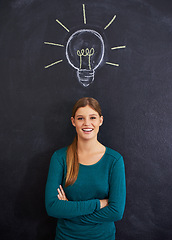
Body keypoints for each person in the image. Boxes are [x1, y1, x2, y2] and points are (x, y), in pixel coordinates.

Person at [45, 97, 126, 240]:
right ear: (73, 122)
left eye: (92, 117)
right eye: (81, 118)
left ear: (100, 121)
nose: (87, 123)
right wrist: (99, 203)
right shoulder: (60, 158)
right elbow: (52, 207)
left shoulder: (114, 160)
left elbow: (116, 212)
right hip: (66, 237)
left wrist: (70, 211)